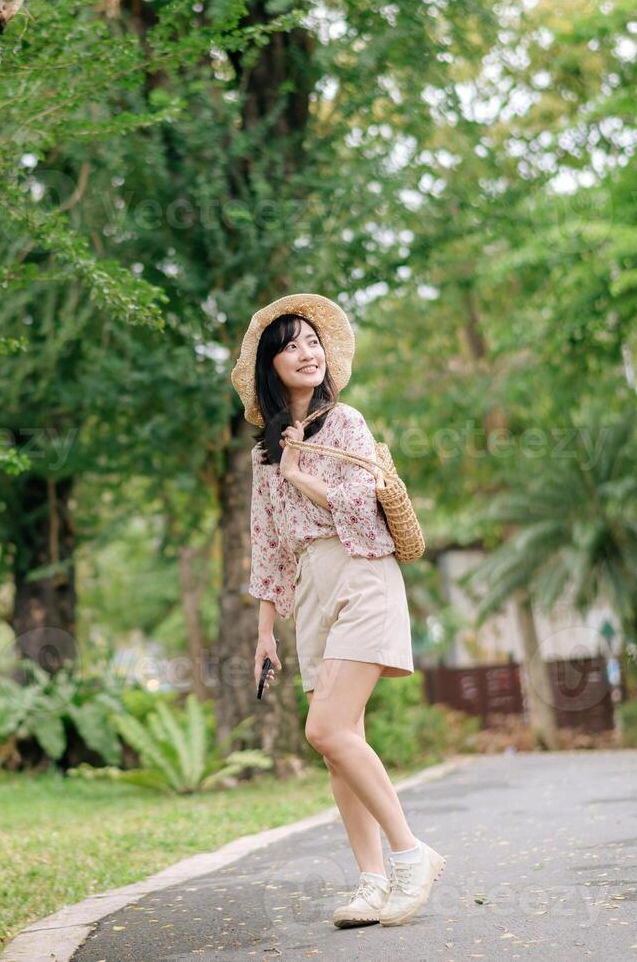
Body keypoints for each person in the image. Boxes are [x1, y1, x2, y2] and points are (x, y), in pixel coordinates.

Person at [228, 293, 445, 929]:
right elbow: (266, 543)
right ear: (270, 364)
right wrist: (265, 632)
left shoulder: (346, 422)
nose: (308, 352)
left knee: (324, 729)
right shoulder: (262, 450)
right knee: (340, 743)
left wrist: (299, 473)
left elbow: (358, 504)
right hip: (311, 592)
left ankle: (411, 855)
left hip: (362, 572)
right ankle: (373, 882)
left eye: (313, 342)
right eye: (292, 344)